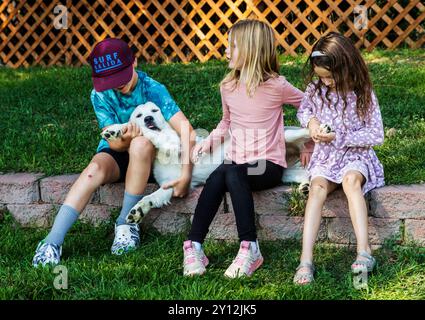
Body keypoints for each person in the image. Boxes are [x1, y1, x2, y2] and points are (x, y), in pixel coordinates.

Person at [32, 38, 195, 267]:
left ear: (135, 62)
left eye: (121, 78)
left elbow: (187, 130)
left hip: (151, 159)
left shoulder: (153, 89)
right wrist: (125, 138)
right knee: (93, 170)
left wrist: (185, 175)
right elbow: (114, 144)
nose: (117, 85)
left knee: (141, 144)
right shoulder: (99, 94)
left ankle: (127, 224)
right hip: (118, 151)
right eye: (110, 80)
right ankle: (51, 242)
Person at [182, 19, 312, 278]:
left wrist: (309, 141)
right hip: (236, 164)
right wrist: (209, 142)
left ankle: (250, 246)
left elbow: (309, 106)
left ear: (252, 49)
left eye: (232, 45)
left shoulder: (277, 86)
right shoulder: (228, 86)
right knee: (221, 173)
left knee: (231, 172)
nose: (226, 50)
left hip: (268, 166)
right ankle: (194, 245)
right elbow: (226, 122)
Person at [293, 32, 385, 285]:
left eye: (330, 76)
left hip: (355, 153)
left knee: (351, 181)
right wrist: (312, 124)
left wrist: (339, 137)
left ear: (346, 66)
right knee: (317, 187)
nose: (326, 82)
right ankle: (305, 260)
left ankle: (364, 252)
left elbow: (376, 134)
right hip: (327, 156)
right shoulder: (316, 89)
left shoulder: (362, 92)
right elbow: (304, 110)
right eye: (321, 77)